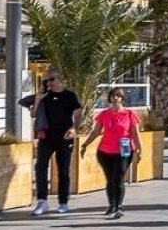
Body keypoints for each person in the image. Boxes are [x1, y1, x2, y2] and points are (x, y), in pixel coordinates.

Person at [29, 72, 82, 217]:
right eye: (46, 81)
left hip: (64, 137)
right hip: (46, 137)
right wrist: (38, 101)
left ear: (60, 80)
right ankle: (42, 201)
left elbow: (78, 113)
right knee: (40, 166)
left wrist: (73, 128)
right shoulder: (45, 97)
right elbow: (33, 114)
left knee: (63, 169)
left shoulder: (70, 95)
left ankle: (63, 202)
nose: (48, 83)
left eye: (51, 79)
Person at [88, 88, 141, 219]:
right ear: (110, 98)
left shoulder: (129, 114)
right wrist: (85, 144)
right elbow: (96, 132)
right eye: (113, 96)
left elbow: (135, 133)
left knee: (118, 177)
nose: (115, 98)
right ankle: (111, 204)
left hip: (124, 150)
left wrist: (140, 150)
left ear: (122, 99)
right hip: (105, 151)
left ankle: (118, 206)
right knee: (110, 179)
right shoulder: (104, 114)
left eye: (118, 96)